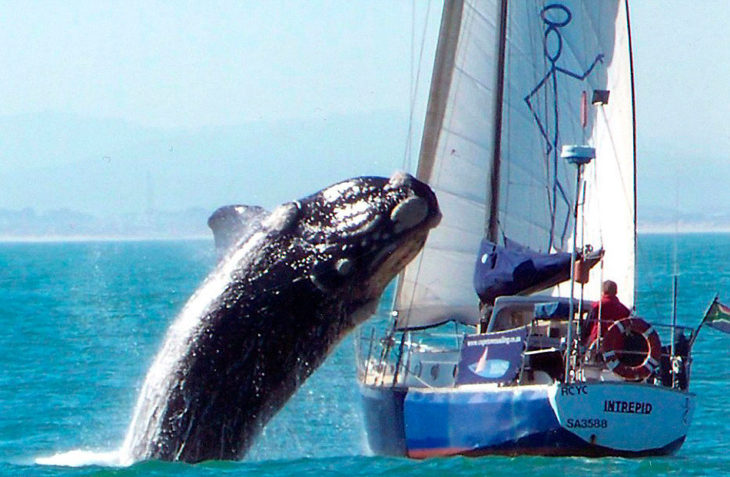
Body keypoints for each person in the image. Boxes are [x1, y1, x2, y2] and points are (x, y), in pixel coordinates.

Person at [584, 280, 630, 346]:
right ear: (616, 292)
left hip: (597, 342)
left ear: (602, 291)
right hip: (616, 345)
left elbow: (588, 325)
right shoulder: (624, 310)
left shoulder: (596, 306)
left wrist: (583, 339)